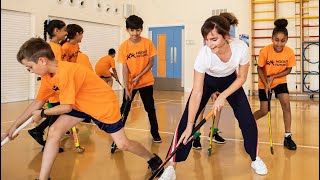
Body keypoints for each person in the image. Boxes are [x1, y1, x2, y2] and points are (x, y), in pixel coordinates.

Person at [1, 38, 164, 180]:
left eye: (29, 67)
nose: (29, 71)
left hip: (102, 104)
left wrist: (43, 113)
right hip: (81, 104)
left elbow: (65, 107)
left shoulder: (66, 72)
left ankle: (152, 159)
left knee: (123, 144)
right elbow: (36, 103)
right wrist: (13, 127)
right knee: (54, 131)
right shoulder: (47, 77)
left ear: (42, 61)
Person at [159, 13, 268, 180]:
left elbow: (242, 78)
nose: (209, 44)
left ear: (225, 36)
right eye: (206, 40)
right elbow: (196, 92)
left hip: (231, 82)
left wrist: (222, 96)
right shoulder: (204, 55)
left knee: (247, 120)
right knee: (185, 122)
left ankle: (255, 158)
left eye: (214, 39)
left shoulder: (241, 48)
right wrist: (190, 124)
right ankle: (172, 166)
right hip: (208, 81)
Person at [192, 12, 239, 149]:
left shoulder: (233, 44)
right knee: (200, 107)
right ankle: (196, 136)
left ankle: (214, 132)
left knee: (218, 105)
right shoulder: (210, 40)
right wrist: (211, 88)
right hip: (207, 77)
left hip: (224, 78)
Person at [253, 18, 297, 150]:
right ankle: (247, 122)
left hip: (279, 81)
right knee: (264, 110)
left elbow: (288, 69)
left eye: (283, 41)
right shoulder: (265, 51)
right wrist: (266, 83)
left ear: (287, 40)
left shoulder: (289, 52)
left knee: (286, 105)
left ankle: (288, 136)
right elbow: (259, 68)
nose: (279, 44)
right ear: (272, 38)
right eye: (277, 40)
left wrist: (274, 77)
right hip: (264, 82)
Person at [117, 15, 162, 143]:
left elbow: (151, 63)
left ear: (141, 29)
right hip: (130, 84)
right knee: (124, 109)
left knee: (150, 108)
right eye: (132, 30)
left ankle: (155, 133)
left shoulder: (147, 43)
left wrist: (139, 76)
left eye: (137, 30)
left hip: (146, 82)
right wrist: (126, 88)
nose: (135, 33)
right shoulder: (123, 47)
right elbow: (125, 69)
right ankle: (118, 135)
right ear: (127, 30)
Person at [28, 19, 67, 153]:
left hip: (54, 87)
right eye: (65, 30)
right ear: (57, 31)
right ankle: (48, 145)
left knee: (56, 116)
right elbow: (57, 70)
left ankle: (38, 131)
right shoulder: (55, 48)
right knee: (55, 118)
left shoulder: (54, 46)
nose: (66, 33)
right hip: (54, 88)